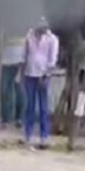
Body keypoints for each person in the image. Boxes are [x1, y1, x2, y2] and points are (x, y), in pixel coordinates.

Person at [21, 16, 59, 148]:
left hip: (43, 75)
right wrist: (21, 75)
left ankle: (44, 136)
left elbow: (52, 60)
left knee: (43, 107)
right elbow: (24, 55)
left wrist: (46, 74)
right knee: (30, 106)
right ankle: (28, 135)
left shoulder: (52, 39)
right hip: (30, 74)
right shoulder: (29, 36)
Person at [0, 33, 25, 125]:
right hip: (5, 63)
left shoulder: (25, 31)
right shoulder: (4, 30)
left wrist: (24, 65)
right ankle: (5, 118)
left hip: (19, 63)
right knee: (4, 90)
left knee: (19, 91)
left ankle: (19, 118)